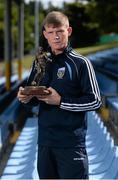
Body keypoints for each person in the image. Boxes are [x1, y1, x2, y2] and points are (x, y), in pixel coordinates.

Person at [17, 11, 102, 179]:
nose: (55, 36)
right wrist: (26, 98)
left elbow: (95, 101)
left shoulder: (81, 63)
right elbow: (33, 100)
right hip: (45, 143)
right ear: (45, 34)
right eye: (51, 32)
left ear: (68, 31)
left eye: (60, 31)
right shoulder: (40, 62)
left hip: (71, 145)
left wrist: (61, 101)